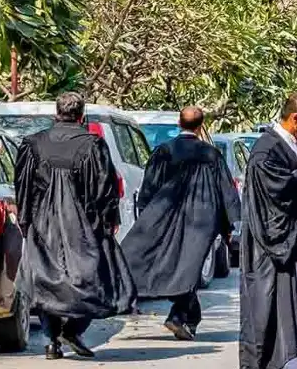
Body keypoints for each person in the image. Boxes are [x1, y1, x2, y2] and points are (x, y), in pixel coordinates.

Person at [15, 92, 135, 359]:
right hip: (83, 224)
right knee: (95, 279)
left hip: (42, 223)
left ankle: (52, 341)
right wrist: (108, 220)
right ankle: (69, 331)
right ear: (82, 116)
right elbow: (105, 188)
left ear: (55, 112)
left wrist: (25, 220)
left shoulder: (33, 143)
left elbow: (22, 187)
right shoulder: (93, 145)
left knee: (46, 280)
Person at [122, 106, 241, 341]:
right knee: (190, 269)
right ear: (201, 125)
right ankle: (183, 318)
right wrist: (228, 227)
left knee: (181, 269)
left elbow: (149, 188)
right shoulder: (211, 154)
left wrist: (146, 216)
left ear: (179, 123)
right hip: (201, 220)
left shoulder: (164, 151)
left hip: (167, 217)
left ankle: (181, 317)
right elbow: (225, 191)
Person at [239, 93, 297, 369]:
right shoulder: (268, 151)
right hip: (277, 254)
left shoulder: (295, 144)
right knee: (274, 324)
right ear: (296, 118)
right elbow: (281, 193)